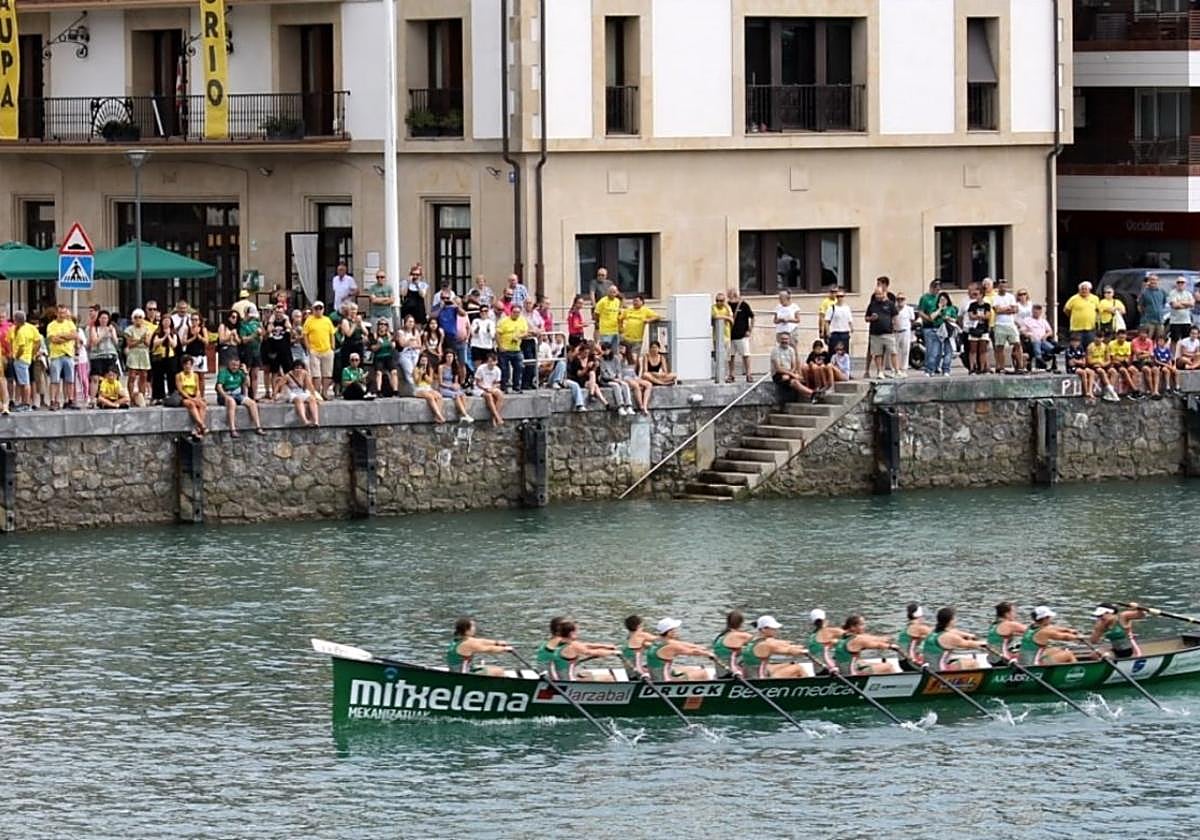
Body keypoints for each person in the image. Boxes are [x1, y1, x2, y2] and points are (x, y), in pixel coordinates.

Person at [738, 615, 816, 679]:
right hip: (760, 679)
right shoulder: (766, 644)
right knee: (798, 667)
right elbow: (789, 651)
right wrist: (804, 651)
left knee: (789, 664)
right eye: (773, 628)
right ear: (764, 629)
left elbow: (780, 645)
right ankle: (811, 688)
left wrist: (796, 646)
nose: (776, 630)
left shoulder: (753, 640)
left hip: (751, 673)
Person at [643, 618, 714, 682]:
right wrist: (708, 654)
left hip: (657, 675)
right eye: (674, 629)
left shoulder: (657, 641)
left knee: (690, 668)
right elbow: (694, 652)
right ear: (669, 632)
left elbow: (682, 644)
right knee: (703, 673)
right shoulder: (671, 647)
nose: (676, 631)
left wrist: (699, 647)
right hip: (665, 680)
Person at [550, 620, 620, 682]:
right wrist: (613, 652)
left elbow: (585, 645)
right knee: (609, 678)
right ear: (571, 633)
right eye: (576, 631)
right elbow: (590, 652)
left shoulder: (557, 643)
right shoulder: (573, 645)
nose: (578, 633)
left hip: (558, 679)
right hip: (570, 681)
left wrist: (606, 646)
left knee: (587, 674)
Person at [921, 607, 988, 671]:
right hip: (940, 670)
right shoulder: (949, 637)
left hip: (929, 668)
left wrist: (970, 636)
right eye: (954, 618)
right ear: (950, 621)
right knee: (972, 663)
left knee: (957, 661)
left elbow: (955, 632)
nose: (956, 620)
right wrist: (985, 643)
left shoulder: (933, 632)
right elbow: (969, 644)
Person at [833, 614, 902, 675]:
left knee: (864, 662)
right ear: (853, 627)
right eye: (861, 624)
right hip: (851, 672)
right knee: (888, 666)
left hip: (842, 668)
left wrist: (884, 639)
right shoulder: (857, 639)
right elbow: (877, 645)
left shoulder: (843, 636)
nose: (864, 627)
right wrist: (891, 646)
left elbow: (868, 638)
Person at [215, 357, 265, 437]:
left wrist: (246, 373)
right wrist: (225, 396)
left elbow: (248, 384)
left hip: (237, 394)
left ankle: (258, 427)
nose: (235, 367)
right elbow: (219, 387)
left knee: (252, 403)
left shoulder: (240, 372)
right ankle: (232, 429)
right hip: (226, 394)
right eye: (233, 365)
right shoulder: (223, 372)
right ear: (229, 364)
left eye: (237, 365)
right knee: (232, 403)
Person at [447, 617, 513, 677]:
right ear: (466, 630)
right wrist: (505, 649)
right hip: (463, 675)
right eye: (473, 626)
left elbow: (481, 641)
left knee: (490, 668)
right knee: (499, 671)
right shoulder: (467, 643)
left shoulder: (459, 639)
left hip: (458, 670)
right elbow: (488, 649)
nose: (475, 628)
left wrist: (497, 642)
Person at [1019, 606, 1083, 666]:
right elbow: (1065, 637)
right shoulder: (1044, 632)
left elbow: (1053, 628)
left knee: (1057, 649)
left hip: (1024, 661)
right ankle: (1077, 671)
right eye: (1049, 617)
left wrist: (1068, 630)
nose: (1051, 619)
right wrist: (1078, 637)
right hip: (1034, 665)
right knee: (1069, 654)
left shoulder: (1031, 627)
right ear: (1045, 618)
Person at [865, 277, 900, 378]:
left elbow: (894, 311)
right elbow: (869, 312)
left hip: (888, 330)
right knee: (874, 351)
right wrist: (872, 317)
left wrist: (885, 297)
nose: (878, 286)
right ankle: (873, 370)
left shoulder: (891, 297)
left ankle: (894, 370)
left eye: (879, 284)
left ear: (885, 285)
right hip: (875, 330)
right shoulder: (873, 298)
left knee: (892, 350)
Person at [46, 304, 78, 410]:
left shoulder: (70, 323)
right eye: (60, 313)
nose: (62, 315)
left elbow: (74, 335)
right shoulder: (51, 325)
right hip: (56, 355)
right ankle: (54, 401)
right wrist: (67, 337)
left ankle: (70, 400)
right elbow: (53, 339)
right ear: (56, 313)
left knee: (70, 380)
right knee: (54, 380)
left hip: (68, 354)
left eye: (64, 313)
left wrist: (61, 336)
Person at [302, 302, 337, 398]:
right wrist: (308, 347)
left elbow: (332, 333)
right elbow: (305, 334)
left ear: (323, 309)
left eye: (320, 308)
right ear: (313, 309)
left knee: (327, 373)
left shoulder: (327, 320)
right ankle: (317, 393)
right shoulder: (309, 320)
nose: (318, 310)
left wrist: (332, 346)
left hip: (327, 350)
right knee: (316, 374)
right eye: (316, 308)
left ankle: (325, 392)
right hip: (314, 351)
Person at [770, 332, 817, 401]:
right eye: (782, 339)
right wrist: (792, 374)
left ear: (789, 340)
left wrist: (791, 373)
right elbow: (778, 368)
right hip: (778, 374)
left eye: (786, 339)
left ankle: (811, 396)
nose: (784, 341)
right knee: (792, 381)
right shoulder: (775, 351)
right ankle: (812, 393)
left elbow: (794, 365)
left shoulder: (791, 350)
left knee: (799, 378)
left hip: (789, 372)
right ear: (779, 340)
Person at [87, 311, 120, 408]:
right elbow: (94, 341)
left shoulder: (111, 328)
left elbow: (116, 342)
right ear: (99, 319)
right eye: (102, 318)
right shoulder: (94, 328)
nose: (104, 320)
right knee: (95, 378)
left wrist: (112, 333)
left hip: (110, 355)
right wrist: (104, 333)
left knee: (109, 377)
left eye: (106, 318)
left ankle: (107, 398)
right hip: (97, 356)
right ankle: (92, 399)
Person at [991, 279, 1024, 373]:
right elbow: (997, 310)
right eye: (1001, 286)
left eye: (1005, 286)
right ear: (998, 287)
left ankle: (1020, 366)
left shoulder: (1011, 297)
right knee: (1000, 346)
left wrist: (1004, 309)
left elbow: (1015, 309)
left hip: (1010, 324)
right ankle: (1001, 367)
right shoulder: (995, 298)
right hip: (1000, 324)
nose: (1003, 288)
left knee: (1017, 344)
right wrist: (1008, 309)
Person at [262, 303, 293, 398]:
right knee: (274, 372)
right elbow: (268, 331)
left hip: (285, 350)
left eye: (281, 312)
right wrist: (271, 321)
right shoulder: (271, 322)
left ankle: (290, 390)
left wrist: (286, 319)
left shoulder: (286, 322)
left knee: (288, 371)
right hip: (274, 351)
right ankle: (274, 392)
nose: (279, 314)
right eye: (277, 312)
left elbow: (290, 330)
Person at [277, 359, 320, 427]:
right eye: (297, 368)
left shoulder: (305, 374)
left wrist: (314, 395)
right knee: (298, 400)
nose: (299, 370)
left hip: (301, 391)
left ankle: (316, 420)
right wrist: (274, 395)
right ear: (293, 368)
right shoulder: (288, 375)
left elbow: (310, 385)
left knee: (312, 399)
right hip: (292, 393)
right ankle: (304, 420)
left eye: (300, 368)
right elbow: (278, 385)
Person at [496, 305, 528, 393]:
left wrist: (519, 336)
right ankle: (504, 387)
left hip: (516, 349)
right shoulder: (504, 321)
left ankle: (516, 387)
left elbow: (526, 333)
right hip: (504, 348)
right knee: (504, 369)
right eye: (514, 312)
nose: (516, 314)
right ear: (511, 312)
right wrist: (500, 346)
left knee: (519, 367)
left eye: (518, 312)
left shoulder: (522, 320)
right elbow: (498, 334)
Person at [124, 309, 153, 405]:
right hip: (134, 353)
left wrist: (143, 340)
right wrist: (139, 340)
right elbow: (130, 344)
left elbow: (148, 343)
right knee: (132, 375)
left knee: (143, 376)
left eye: (140, 317)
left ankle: (142, 397)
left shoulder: (147, 329)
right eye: (136, 317)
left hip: (144, 353)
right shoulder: (129, 329)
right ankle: (132, 398)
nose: (138, 319)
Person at [597, 342, 635, 416]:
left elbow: (619, 371)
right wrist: (614, 379)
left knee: (625, 385)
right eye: (604, 350)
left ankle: (628, 405)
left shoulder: (616, 359)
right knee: (616, 386)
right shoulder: (601, 360)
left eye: (607, 350)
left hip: (616, 378)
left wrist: (619, 379)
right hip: (606, 380)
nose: (605, 352)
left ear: (610, 350)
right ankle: (620, 406)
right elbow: (603, 374)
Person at [175, 356, 208, 437]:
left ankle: (198, 428)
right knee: (191, 404)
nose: (188, 366)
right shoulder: (179, 375)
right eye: (186, 364)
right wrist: (190, 398)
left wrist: (197, 397)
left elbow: (197, 389)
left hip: (194, 395)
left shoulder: (195, 375)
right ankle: (202, 425)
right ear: (183, 366)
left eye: (190, 364)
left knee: (202, 405)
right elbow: (180, 390)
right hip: (184, 396)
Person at [711, 611, 753, 675]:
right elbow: (758, 641)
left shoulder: (720, 636)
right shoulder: (741, 635)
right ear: (741, 623)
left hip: (720, 673)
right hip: (731, 675)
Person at [1019, 303, 1058, 372]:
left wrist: (1045, 336)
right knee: (1037, 341)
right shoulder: (1027, 320)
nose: (1036, 313)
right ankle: (1039, 358)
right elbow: (1022, 331)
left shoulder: (1043, 321)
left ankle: (1053, 351)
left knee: (1051, 348)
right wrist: (1028, 335)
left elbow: (1050, 331)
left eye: (1038, 312)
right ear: (1032, 311)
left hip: (1042, 340)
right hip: (1031, 341)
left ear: (1040, 312)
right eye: (1035, 312)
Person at [437, 349, 473, 422]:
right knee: (456, 396)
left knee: (462, 395)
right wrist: (450, 386)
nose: (449, 358)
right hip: (444, 387)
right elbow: (440, 382)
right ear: (445, 357)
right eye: (448, 357)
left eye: (451, 357)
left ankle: (462, 414)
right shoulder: (441, 367)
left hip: (452, 385)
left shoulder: (455, 366)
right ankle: (465, 414)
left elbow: (456, 382)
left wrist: (456, 386)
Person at [1107, 328, 1144, 400]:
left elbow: (1128, 357)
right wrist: (1122, 359)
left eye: (1123, 338)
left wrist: (1124, 360)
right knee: (1123, 370)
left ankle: (1132, 391)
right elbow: (1113, 358)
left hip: (1124, 363)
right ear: (1117, 336)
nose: (1122, 339)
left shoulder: (1127, 344)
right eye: (1120, 338)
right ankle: (1134, 390)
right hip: (1115, 364)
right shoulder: (1111, 344)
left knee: (1134, 370)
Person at [728, 289, 755, 383]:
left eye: (732, 294)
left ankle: (748, 374)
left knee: (746, 355)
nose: (731, 296)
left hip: (742, 334)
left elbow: (752, 316)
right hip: (730, 335)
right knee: (730, 356)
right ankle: (731, 374)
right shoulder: (727, 305)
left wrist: (750, 330)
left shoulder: (743, 305)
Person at [472, 351, 505, 426]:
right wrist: (485, 388)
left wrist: (493, 388)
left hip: (490, 387)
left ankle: (493, 417)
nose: (491, 363)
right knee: (489, 396)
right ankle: (497, 417)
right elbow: (477, 382)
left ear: (496, 362)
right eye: (489, 361)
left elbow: (497, 383)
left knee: (500, 395)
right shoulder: (481, 368)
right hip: (480, 388)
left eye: (493, 361)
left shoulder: (497, 370)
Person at [806, 608, 845, 674]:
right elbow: (850, 636)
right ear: (825, 620)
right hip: (830, 670)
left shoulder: (812, 637)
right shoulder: (828, 631)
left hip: (818, 672)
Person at [411, 355, 447, 423]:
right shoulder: (415, 369)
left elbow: (430, 381)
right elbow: (417, 382)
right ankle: (440, 416)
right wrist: (420, 375)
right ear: (419, 361)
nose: (424, 362)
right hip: (419, 389)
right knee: (430, 397)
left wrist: (424, 375)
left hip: (428, 388)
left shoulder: (429, 369)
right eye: (422, 361)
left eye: (425, 361)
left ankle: (437, 416)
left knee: (439, 396)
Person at [1064, 281, 1101, 347]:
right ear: (1079, 290)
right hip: (1076, 329)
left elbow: (1098, 310)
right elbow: (1066, 310)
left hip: (1090, 329)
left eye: (1086, 289)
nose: (1084, 290)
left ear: (1089, 289)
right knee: (1077, 348)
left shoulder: (1095, 298)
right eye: (1082, 289)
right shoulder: (1073, 299)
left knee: (1090, 347)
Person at [896, 603, 932, 667]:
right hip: (910, 663)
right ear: (919, 615)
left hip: (903, 661)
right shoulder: (917, 627)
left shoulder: (909, 626)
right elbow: (937, 635)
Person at [620, 346, 652, 415]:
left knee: (648, 384)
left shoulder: (632, 357)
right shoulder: (619, 357)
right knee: (636, 385)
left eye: (622, 348)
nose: (621, 350)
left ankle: (645, 405)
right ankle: (641, 406)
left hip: (633, 376)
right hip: (625, 377)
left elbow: (638, 368)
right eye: (620, 348)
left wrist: (638, 377)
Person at [1087, 335, 1121, 402]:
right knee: (1101, 371)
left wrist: (1104, 364)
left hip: (1103, 365)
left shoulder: (1105, 347)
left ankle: (1109, 393)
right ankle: (1112, 392)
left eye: (1100, 338)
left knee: (1113, 371)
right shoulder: (1090, 347)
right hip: (1094, 366)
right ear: (1094, 338)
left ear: (1102, 338)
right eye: (1097, 337)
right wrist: (1097, 362)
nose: (1098, 339)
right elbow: (1089, 361)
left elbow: (1108, 360)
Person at [370, 319, 399, 396]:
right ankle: (379, 391)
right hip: (379, 356)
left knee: (394, 372)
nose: (382, 326)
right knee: (379, 373)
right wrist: (379, 344)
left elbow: (394, 346)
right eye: (381, 324)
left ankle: (395, 391)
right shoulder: (374, 335)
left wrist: (391, 342)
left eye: (385, 324)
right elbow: (373, 348)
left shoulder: (390, 335)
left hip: (389, 356)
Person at [1168, 277, 1195, 353]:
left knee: (1186, 340)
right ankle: (1173, 357)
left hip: (1186, 321)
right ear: (1176, 283)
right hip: (1175, 321)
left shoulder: (1188, 293)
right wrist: (1186, 304)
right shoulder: (1172, 293)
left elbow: (1192, 304)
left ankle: (1183, 355)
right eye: (1178, 282)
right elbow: (1175, 305)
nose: (1180, 284)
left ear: (1185, 284)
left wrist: (1180, 302)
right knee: (1174, 340)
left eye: (1182, 282)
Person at [593, 284, 623, 352]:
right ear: (608, 292)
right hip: (605, 331)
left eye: (614, 292)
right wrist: (598, 323)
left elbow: (618, 313)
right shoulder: (602, 301)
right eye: (611, 292)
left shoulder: (617, 301)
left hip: (615, 330)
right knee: (605, 351)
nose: (612, 294)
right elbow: (596, 314)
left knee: (615, 351)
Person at [1139, 273, 1168, 341]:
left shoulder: (1162, 291)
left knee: (1160, 340)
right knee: (1148, 340)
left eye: (1155, 280)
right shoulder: (1144, 292)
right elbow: (1140, 307)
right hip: (1148, 321)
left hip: (1160, 321)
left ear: (1158, 281)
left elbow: (1163, 303)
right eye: (1151, 279)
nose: (1153, 281)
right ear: (1148, 281)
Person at [469, 305, 497, 371]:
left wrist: (488, 330)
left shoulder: (491, 322)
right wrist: (477, 329)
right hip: (477, 346)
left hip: (487, 347)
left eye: (486, 311)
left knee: (486, 366)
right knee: (477, 367)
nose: (484, 313)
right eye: (482, 311)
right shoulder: (475, 321)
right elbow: (473, 334)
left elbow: (492, 335)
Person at [710, 292, 734, 367]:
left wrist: (726, 318)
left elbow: (732, 320)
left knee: (726, 356)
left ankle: (725, 374)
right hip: (716, 336)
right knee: (718, 356)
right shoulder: (713, 307)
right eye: (717, 300)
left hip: (726, 335)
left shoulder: (727, 308)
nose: (718, 302)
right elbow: (715, 316)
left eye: (721, 300)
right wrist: (726, 317)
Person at [894, 293, 915, 375]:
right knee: (895, 351)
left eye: (902, 299)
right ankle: (896, 369)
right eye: (898, 299)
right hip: (896, 331)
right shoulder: (894, 309)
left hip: (905, 331)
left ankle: (904, 369)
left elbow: (912, 320)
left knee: (905, 350)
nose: (900, 301)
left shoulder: (909, 309)